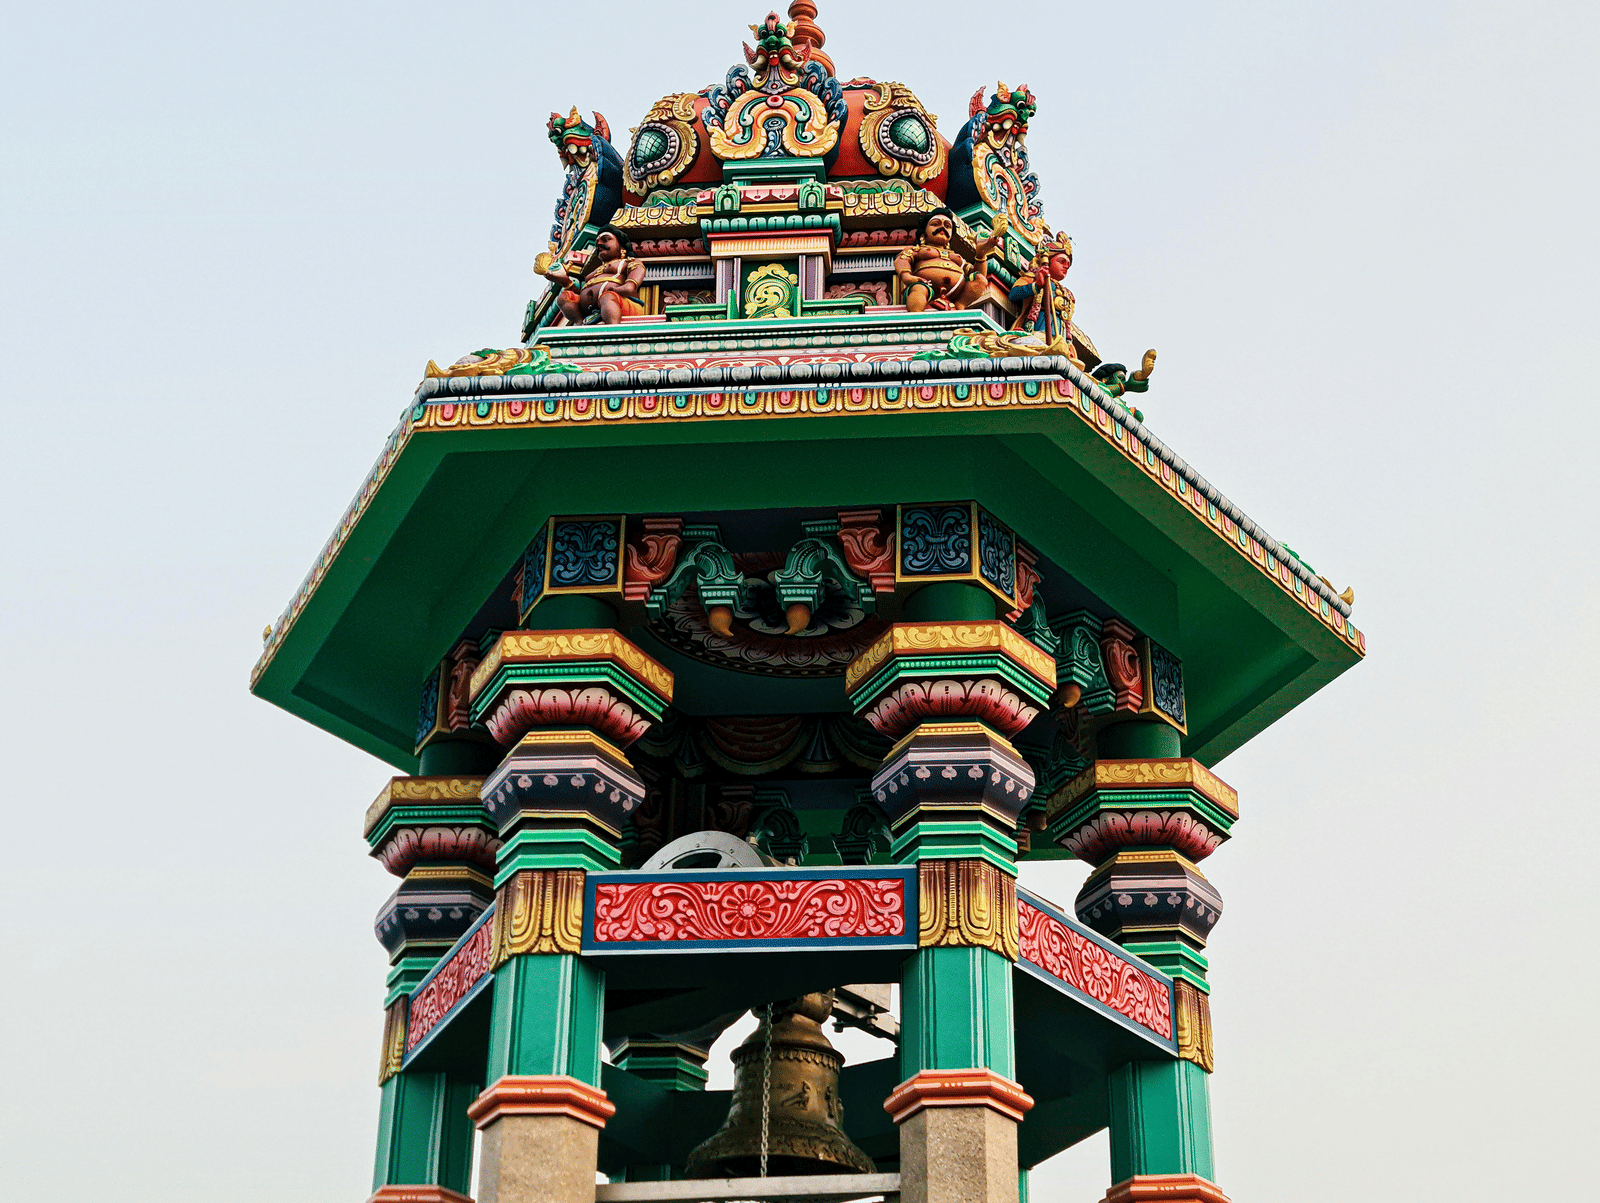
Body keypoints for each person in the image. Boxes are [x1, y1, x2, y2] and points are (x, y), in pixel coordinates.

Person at [894, 208, 1007, 311]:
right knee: (919, 289)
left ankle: (960, 306)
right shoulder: (918, 250)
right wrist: (907, 276)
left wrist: (981, 254)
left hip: (953, 294)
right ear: (924, 231)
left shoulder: (956, 257)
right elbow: (902, 259)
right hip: (925, 286)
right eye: (935, 224)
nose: (942, 227)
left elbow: (979, 275)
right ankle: (916, 319)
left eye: (947, 226)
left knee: (980, 279)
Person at [540, 225, 646, 324]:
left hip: (623, 304)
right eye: (597, 243)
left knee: (607, 297)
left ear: (622, 248)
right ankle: (580, 324)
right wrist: (566, 281)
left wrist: (617, 289)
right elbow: (580, 294)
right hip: (592, 309)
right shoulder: (593, 273)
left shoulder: (628, 262)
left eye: (606, 240)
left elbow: (631, 284)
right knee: (564, 297)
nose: (599, 244)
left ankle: (613, 331)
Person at [1008, 235, 1078, 360]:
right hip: (1041, 326)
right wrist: (1037, 286)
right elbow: (1014, 295)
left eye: (1068, 264)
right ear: (1048, 262)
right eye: (1061, 261)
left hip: (1060, 333)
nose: (1066, 266)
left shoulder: (1066, 292)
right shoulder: (1034, 277)